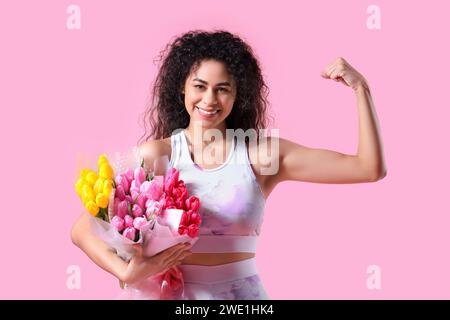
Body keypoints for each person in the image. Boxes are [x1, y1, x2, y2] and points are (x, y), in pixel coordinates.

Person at [71, 30, 387, 300]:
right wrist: (128, 270)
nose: (209, 99)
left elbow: (367, 168)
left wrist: (363, 90)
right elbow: (82, 229)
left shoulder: (262, 156)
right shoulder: (157, 156)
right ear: (182, 87)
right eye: (200, 86)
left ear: (238, 95)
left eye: (222, 89)